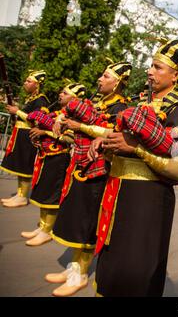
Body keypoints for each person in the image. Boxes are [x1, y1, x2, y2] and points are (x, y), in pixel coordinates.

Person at [92, 39, 178, 297]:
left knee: (134, 276)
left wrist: (136, 149)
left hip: (147, 206)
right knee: (110, 269)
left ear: (175, 76)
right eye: (151, 65)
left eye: (158, 67)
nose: (150, 71)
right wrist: (107, 143)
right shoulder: (138, 107)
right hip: (118, 196)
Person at [45, 62, 131, 297]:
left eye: (106, 76)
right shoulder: (97, 104)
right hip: (81, 165)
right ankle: (74, 266)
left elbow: (112, 134)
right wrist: (66, 127)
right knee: (75, 217)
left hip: (99, 170)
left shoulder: (122, 107)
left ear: (118, 83)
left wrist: (80, 125)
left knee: (86, 222)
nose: (100, 80)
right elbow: (81, 132)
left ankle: (80, 273)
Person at [19, 83, 84, 246]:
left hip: (60, 159)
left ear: (74, 98)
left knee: (51, 196)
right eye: (61, 91)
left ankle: (47, 230)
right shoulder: (58, 112)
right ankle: (42, 226)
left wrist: (45, 131)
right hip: (46, 155)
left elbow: (70, 138)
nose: (60, 94)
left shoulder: (73, 116)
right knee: (43, 193)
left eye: (65, 93)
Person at [1, 70, 49, 208]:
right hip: (21, 135)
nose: (25, 83)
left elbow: (37, 119)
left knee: (24, 167)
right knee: (19, 166)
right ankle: (19, 193)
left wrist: (17, 111)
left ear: (37, 84)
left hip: (29, 137)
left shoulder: (41, 100)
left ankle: (22, 196)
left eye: (29, 81)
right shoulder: (32, 99)